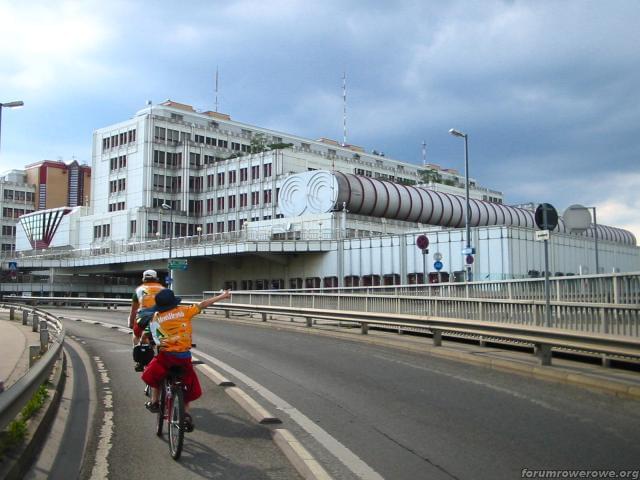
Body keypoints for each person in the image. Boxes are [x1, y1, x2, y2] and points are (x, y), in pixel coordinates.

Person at [142, 288, 231, 431]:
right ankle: (186, 414)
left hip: (166, 357)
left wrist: (148, 341)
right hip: (183, 357)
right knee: (187, 382)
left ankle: (154, 402)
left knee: (155, 374)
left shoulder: (155, 317)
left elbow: (153, 336)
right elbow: (203, 304)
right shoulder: (184, 311)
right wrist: (222, 296)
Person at [128, 269, 165, 371]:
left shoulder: (138, 290)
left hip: (143, 320)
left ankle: (140, 361)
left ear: (143, 279)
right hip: (162, 319)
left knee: (136, 335)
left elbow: (134, 310)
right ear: (156, 279)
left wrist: (131, 323)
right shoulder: (163, 289)